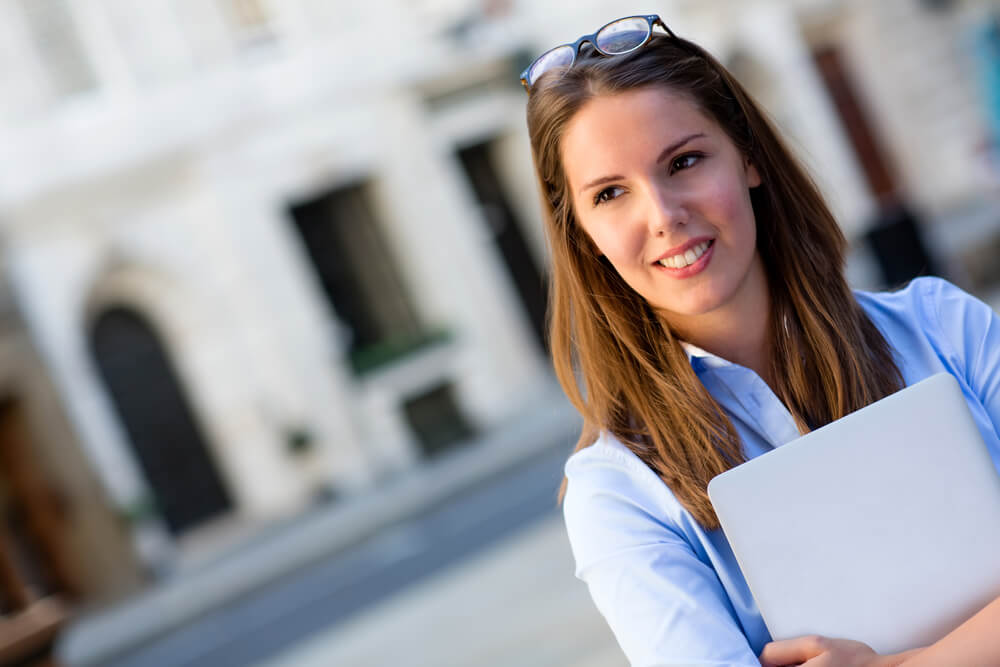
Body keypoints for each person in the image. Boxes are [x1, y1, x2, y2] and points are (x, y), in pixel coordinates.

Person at [521, 14, 1000, 667]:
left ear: (747, 156)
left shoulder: (944, 327)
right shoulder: (618, 495)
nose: (663, 216)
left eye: (684, 161)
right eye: (610, 193)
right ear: (581, 231)